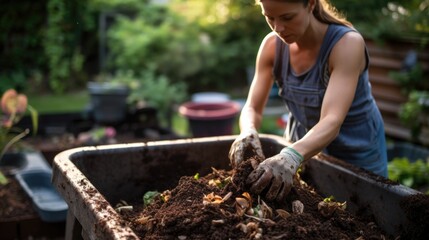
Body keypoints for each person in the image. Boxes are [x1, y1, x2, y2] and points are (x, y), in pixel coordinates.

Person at [229, 0, 388, 202]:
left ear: (311, 4)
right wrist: (248, 130)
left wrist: (292, 155)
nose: (278, 28)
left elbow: (332, 120)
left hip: (355, 151)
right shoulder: (271, 46)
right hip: (303, 145)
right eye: (269, 18)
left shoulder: (346, 44)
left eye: (288, 17)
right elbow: (252, 107)